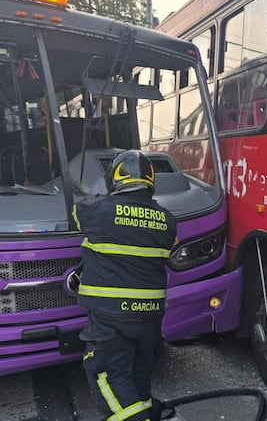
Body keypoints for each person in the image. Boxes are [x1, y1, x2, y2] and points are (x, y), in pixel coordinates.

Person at [70, 149, 177, 420]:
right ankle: (147, 412)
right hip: (150, 318)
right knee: (137, 376)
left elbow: (76, 211)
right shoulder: (167, 221)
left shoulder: (98, 211)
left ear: (114, 180)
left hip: (111, 317)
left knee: (105, 375)